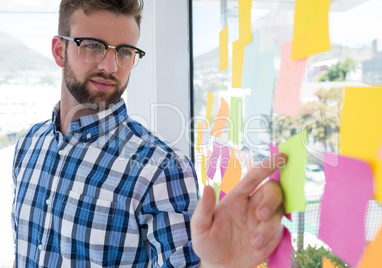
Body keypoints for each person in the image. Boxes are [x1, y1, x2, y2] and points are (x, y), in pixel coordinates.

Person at [11, 0, 287, 267]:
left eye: (124, 51)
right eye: (93, 47)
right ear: (60, 51)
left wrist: (216, 265)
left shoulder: (162, 168)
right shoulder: (30, 145)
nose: (110, 66)